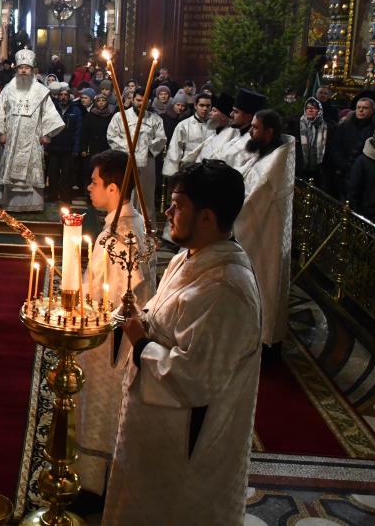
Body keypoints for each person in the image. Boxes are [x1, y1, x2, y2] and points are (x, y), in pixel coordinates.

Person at [103, 160, 262, 526]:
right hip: (154, 425)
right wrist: (141, 318)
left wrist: (142, 343)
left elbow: (195, 378)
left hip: (185, 445)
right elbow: (162, 313)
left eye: (177, 205)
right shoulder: (189, 257)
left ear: (207, 218)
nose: (168, 212)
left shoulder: (227, 289)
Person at [75, 150, 156, 499]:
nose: (89, 188)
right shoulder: (122, 223)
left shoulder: (123, 235)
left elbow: (127, 297)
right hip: (104, 336)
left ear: (111, 187)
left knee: (103, 412)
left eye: (94, 182)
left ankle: (95, 487)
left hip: (110, 346)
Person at [235, 109, 295, 347]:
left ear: (269, 132)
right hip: (255, 229)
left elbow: (253, 202)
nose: (250, 131)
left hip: (264, 234)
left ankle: (261, 336)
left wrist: (228, 213)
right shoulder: (265, 153)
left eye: (255, 128)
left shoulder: (276, 162)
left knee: (264, 284)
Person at [0, 48, 65, 212]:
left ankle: (33, 204)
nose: (23, 71)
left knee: (32, 172)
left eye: (26, 68)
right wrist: (0, 132)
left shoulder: (41, 91)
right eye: (20, 68)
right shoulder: (7, 89)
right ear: (16, 69)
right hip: (12, 139)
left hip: (33, 140)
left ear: (32, 70)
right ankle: (11, 204)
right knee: (12, 171)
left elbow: (49, 113)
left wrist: (48, 134)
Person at [107, 87, 166, 219]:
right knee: (125, 194)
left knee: (145, 197)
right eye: (138, 100)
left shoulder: (155, 119)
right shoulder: (120, 116)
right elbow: (112, 136)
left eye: (144, 101)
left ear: (149, 101)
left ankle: (146, 229)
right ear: (133, 99)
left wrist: (145, 148)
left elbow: (161, 138)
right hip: (126, 161)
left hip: (147, 162)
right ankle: (121, 223)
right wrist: (129, 149)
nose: (141, 104)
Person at [329, 96, 375, 196]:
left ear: (372, 110)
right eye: (358, 107)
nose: (360, 110)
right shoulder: (345, 126)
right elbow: (335, 147)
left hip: (363, 174)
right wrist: (342, 164)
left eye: (365, 108)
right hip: (342, 172)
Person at [46, 84, 83, 203]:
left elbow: (78, 131)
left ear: (69, 96)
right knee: (52, 175)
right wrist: (45, 146)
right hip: (53, 148)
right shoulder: (52, 110)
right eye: (61, 95)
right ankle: (53, 196)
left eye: (65, 95)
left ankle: (66, 198)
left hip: (68, 149)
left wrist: (76, 148)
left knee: (67, 176)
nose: (63, 97)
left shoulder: (76, 111)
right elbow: (46, 127)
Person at [162, 92, 213, 178]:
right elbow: (175, 150)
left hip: (209, 171)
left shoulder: (215, 126)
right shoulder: (183, 125)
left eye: (208, 106)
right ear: (195, 106)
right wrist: (173, 175)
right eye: (202, 105)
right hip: (188, 170)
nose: (205, 108)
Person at [296, 96, 333, 189]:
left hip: (318, 170)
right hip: (299, 168)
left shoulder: (328, 127)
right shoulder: (296, 125)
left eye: (313, 108)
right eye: (308, 108)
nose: (310, 110)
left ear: (319, 110)